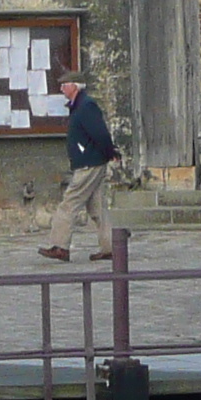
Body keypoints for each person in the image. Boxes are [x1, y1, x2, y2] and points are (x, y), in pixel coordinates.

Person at [37, 74, 119, 265]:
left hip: (89, 163)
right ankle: (110, 248)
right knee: (97, 207)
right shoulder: (79, 106)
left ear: (75, 86)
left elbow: (100, 133)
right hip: (91, 160)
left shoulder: (86, 106)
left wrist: (110, 151)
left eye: (64, 85)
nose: (61, 89)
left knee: (69, 203)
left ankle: (60, 246)